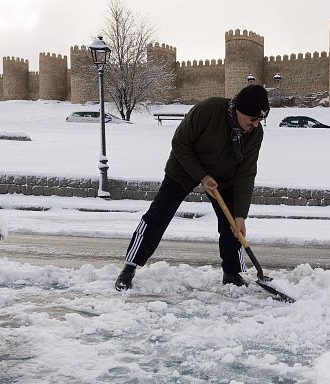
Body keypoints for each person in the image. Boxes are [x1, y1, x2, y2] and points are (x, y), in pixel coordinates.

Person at [115, 84, 270, 291]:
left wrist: (241, 215)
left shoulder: (254, 134)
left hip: (225, 177)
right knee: (158, 215)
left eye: (260, 120)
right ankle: (130, 266)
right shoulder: (208, 110)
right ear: (239, 110)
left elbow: (246, 173)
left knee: (231, 224)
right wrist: (202, 176)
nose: (256, 125)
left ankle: (232, 273)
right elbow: (180, 143)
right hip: (184, 168)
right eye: (252, 119)